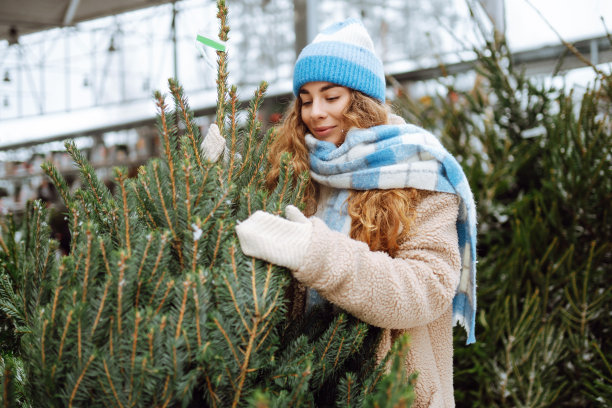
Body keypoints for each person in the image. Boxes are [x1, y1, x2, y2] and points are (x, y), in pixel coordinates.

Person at [206, 18, 477, 408]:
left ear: (363, 100)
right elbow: (257, 216)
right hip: (302, 386)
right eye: (305, 99)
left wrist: (318, 254)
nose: (315, 113)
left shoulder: (421, 173)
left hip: (390, 393)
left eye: (331, 97)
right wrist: (218, 173)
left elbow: (427, 287)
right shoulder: (299, 165)